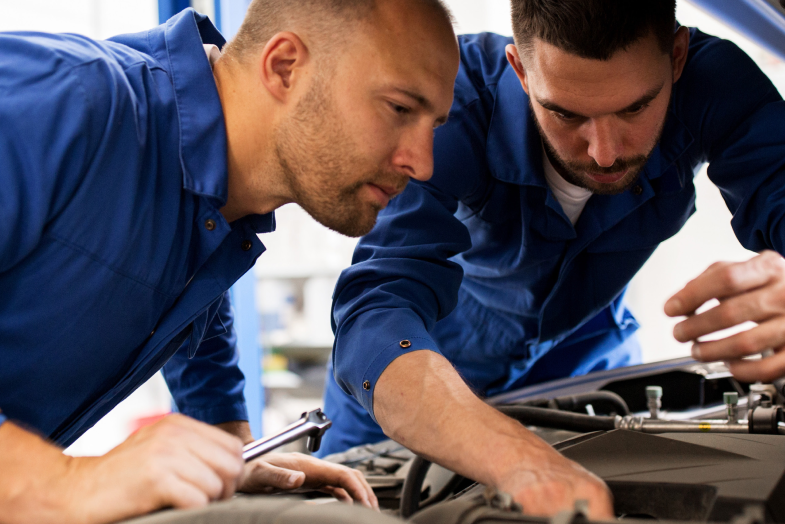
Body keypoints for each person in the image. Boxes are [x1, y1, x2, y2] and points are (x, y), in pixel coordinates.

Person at [321, 0, 785, 519]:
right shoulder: (452, 105)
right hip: (418, 375)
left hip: (586, 362)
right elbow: (376, 305)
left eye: (635, 108)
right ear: (520, 70)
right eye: (567, 113)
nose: (604, 153)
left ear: (676, 57)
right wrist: (510, 455)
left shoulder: (713, 84)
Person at [0, 0, 458, 522]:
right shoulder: (67, 98)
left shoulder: (217, 216)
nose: (423, 163)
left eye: (435, 124)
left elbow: (188, 323)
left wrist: (230, 452)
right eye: (400, 108)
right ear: (285, 67)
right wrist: (63, 482)